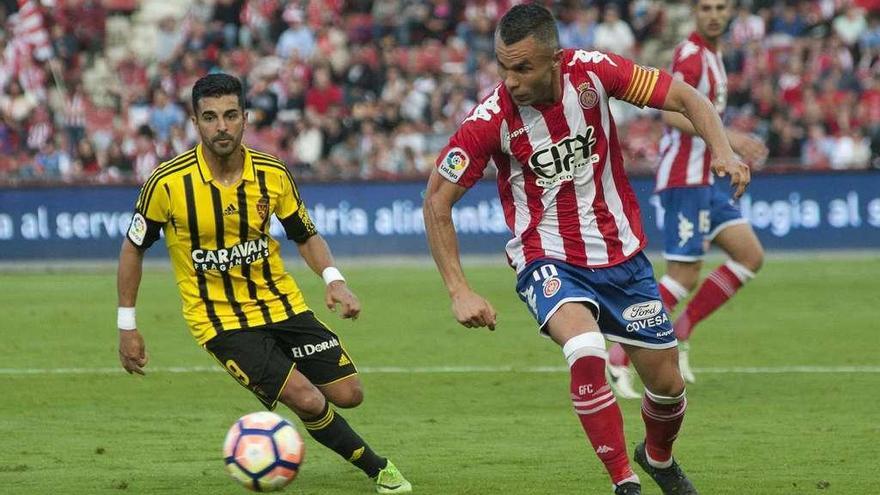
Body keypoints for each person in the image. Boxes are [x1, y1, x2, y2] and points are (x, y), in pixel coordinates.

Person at [422, 5, 750, 495]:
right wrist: (458, 290)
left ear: (555, 59)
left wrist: (722, 149)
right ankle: (625, 480)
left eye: (523, 68)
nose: (510, 81)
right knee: (585, 347)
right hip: (547, 257)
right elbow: (436, 201)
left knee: (667, 387)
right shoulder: (490, 120)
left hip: (622, 257)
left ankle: (658, 457)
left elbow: (684, 96)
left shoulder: (593, 73)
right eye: (503, 67)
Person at [116, 73, 411, 494]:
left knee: (349, 394)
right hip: (220, 322)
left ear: (245, 118)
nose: (222, 126)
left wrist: (335, 280)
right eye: (211, 117)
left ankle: (274, 379)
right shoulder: (167, 182)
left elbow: (305, 234)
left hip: (283, 305)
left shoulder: (272, 173)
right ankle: (380, 471)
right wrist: (127, 324)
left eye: (231, 115)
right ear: (196, 123)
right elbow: (133, 248)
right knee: (307, 399)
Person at [607, 0, 767, 391]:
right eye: (707, 8)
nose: (714, 15)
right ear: (696, 13)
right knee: (682, 274)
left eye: (721, 8)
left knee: (749, 256)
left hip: (707, 180)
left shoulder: (714, 54)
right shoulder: (692, 55)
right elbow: (672, 114)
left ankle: (683, 327)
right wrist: (729, 139)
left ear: (730, 13)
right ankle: (619, 355)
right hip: (684, 178)